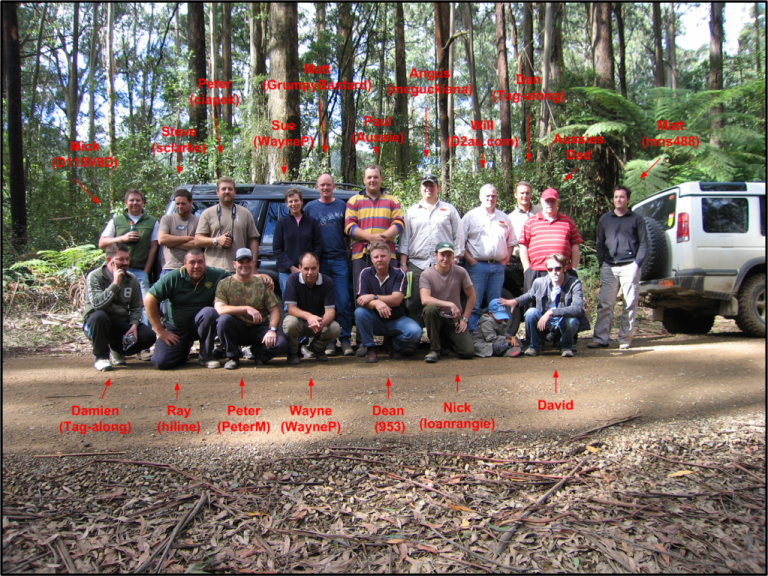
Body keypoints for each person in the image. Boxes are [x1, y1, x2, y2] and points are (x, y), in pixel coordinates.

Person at [98, 188, 158, 359]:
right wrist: (121, 239)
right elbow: (102, 242)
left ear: (143, 202)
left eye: (138, 200)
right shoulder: (116, 221)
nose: (135, 203)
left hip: (139, 271)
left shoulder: (152, 221)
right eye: (131, 200)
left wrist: (146, 270)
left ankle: (142, 348)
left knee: (145, 305)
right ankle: (117, 344)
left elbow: (154, 247)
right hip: (115, 270)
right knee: (115, 304)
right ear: (125, 203)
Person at [399, 173, 464, 330]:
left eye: (432, 185)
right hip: (416, 263)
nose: (429, 188)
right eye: (425, 185)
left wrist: (456, 259)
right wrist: (403, 263)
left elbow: (459, 236)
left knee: (442, 302)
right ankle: (413, 341)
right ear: (421, 188)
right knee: (413, 302)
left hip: (443, 265)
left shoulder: (449, 209)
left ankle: (442, 341)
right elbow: (405, 238)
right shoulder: (412, 211)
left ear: (437, 188)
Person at [144, 249, 228, 370]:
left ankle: (206, 356)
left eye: (200, 262)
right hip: (176, 330)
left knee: (209, 313)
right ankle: (183, 349)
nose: (196, 266)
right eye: (192, 262)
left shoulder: (215, 275)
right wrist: (160, 331)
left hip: (200, 325)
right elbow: (149, 300)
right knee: (162, 362)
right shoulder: (172, 278)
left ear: (205, 262)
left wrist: (260, 276)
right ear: (184, 263)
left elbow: (237, 279)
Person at [589, 185, 647, 350]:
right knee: (605, 303)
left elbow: (644, 243)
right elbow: (600, 242)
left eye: (622, 197)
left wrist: (637, 263)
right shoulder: (605, 219)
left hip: (630, 265)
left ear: (628, 199)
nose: (618, 200)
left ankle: (624, 339)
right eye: (616, 197)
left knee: (629, 303)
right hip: (610, 265)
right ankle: (601, 338)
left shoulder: (636, 219)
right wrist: (602, 263)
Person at [83, 243, 156, 371]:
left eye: (127, 259)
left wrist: (134, 325)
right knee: (99, 316)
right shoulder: (95, 276)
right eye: (120, 259)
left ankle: (117, 349)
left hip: (120, 322)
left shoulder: (131, 279)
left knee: (148, 336)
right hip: (98, 323)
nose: (125, 262)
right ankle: (101, 357)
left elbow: (136, 306)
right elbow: (97, 305)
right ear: (108, 260)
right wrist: (115, 283)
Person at [499, 253, 590, 358]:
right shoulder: (539, 282)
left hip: (562, 321)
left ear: (564, 269)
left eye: (558, 269)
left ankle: (566, 346)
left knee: (572, 321)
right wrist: (514, 301)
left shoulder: (574, 283)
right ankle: (535, 347)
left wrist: (551, 312)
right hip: (543, 323)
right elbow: (529, 295)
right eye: (550, 269)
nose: (554, 272)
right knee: (530, 313)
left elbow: (577, 308)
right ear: (547, 270)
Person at [305, 173, 354, 356]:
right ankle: (329, 341)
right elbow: (306, 235)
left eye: (328, 185)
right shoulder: (310, 208)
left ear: (333, 186)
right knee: (326, 303)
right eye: (322, 185)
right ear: (317, 187)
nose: (325, 188)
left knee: (343, 301)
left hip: (340, 260)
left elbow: (347, 233)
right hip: (319, 263)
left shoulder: (342, 205)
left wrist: (347, 253)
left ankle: (346, 339)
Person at [214, 248, 287, 369]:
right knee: (223, 321)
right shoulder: (224, 284)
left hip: (259, 328)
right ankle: (233, 357)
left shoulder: (261, 283)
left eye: (248, 261)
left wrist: (272, 330)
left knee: (281, 344)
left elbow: (274, 310)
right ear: (234, 264)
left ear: (252, 263)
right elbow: (220, 309)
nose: (244, 265)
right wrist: (246, 308)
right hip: (237, 328)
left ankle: (259, 354)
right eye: (241, 262)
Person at [461, 184, 516, 332]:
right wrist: (470, 259)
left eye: (493, 196)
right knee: (474, 303)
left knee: (495, 305)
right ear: (480, 197)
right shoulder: (470, 217)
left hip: (498, 267)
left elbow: (511, 242)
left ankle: (497, 337)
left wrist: (505, 261)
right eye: (487, 196)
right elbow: (460, 241)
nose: (490, 199)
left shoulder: (504, 218)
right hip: (476, 267)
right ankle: (472, 338)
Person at [355, 242, 423, 363]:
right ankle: (370, 348)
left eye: (383, 256)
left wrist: (373, 297)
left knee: (415, 332)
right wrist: (376, 303)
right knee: (360, 313)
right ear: (371, 259)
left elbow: (396, 300)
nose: (379, 259)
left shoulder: (399, 274)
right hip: (375, 320)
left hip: (396, 319)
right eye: (376, 257)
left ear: (390, 257)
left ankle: (394, 346)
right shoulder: (364, 273)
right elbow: (362, 300)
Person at [344, 164, 404, 298]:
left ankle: (390, 319)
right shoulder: (354, 201)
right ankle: (363, 319)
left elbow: (399, 224)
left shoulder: (392, 201)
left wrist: (382, 239)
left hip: (387, 254)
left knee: (389, 292)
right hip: (361, 254)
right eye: (369, 177)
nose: (372, 180)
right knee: (362, 294)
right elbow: (349, 226)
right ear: (364, 180)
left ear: (381, 179)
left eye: (375, 177)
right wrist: (371, 238)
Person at [420, 242, 477, 363]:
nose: (445, 259)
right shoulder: (427, 274)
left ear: (453, 256)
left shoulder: (460, 272)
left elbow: (472, 296)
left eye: (449, 255)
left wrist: (465, 319)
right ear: (435, 255)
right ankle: (434, 349)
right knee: (429, 309)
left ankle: (445, 342)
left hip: (453, 319)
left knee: (468, 352)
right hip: (436, 318)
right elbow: (425, 299)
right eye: (442, 255)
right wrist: (450, 304)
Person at [518, 188, 582, 293]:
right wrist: (527, 269)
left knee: (563, 305)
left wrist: (574, 269)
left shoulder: (568, 221)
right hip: (537, 271)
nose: (550, 204)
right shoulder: (530, 222)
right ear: (541, 202)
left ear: (558, 202)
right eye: (547, 201)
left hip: (562, 271)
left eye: (553, 201)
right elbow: (523, 245)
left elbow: (575, 245)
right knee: (534, 307)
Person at [282, 252, 341, 365]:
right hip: (299, 322)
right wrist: (309, 316)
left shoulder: (327, 281)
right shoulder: (292, 279)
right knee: (290, 323)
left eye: (313, 268)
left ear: (318, 266)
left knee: (335, 328)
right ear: (300, 268)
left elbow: (330, 311)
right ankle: (293, 353)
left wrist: (321, 323)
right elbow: (291, 309)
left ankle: (317, 349)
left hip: (318, 324)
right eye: (306, 269)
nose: (310, 273)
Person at [195, 177, 260, 273]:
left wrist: (253, 266)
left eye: (230, 189)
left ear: (235, 192)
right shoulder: (207, 213)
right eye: (223, 189)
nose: (227, 191)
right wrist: (216, 240)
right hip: (212, 269)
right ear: (217, 192)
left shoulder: (245, 213)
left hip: (238, 269)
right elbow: (197, 240)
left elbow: (253, 240)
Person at [273, 187, 322, 297]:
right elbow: (277, 249)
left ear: (301, 201)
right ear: (286, 204)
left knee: (307, 300)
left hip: (308, 271)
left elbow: (318, 246)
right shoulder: (281, 223)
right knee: (289, 301)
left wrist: (309, 266)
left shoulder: (311, 222)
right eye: (290, 201)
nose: (294, 204)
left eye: (296, 200)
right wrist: (291, 267)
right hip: (286, 271)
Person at [158, 188, 199, 277]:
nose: (180, 206)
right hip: (168, 268)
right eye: (177, 204)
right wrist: (187, 238)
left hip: (190, 269)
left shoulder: (198, 221)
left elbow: (197, 244)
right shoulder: (167, 219)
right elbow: (162, 240)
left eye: (183, 203)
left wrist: (170, 243)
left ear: (191, 202)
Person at [508, 181, 542, 256]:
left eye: (527, 193)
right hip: (519, 259)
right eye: (522, 193)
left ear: (531, 194)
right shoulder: (510, 218)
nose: (525, 196)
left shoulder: (541, 211)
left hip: (540, 256)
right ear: (516, 195)